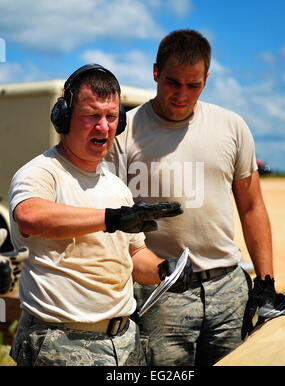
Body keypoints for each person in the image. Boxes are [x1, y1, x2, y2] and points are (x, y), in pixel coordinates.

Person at [104, 30, 283, 366]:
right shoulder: (124, 133)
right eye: (172, 82)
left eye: (194, 85)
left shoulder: (232, 127)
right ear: (155, 72)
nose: (181, 95)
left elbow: (251, 206)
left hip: (229, 290)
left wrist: (266, 282)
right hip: (159, 294)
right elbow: (111, 220)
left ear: (207, 79)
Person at [7, 64, 190, 366]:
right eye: (92, 116)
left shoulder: (117, 188)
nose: (104, 127)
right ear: (63, 118)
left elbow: (134, 256)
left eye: (111, 117)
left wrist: (163, 271)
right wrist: (112, 219)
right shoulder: (41, 172)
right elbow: (30, 215)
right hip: (61, 345)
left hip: (124, 343)